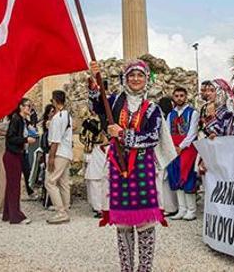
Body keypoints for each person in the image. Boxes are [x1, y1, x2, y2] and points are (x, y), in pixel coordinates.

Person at [89, 60, 165, 272]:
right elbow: (96, 105)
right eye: (131, 75)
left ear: (146, 79)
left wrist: (122, 134)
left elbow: (152, 137)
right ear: (125, 78)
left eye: (140, 76)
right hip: (117, 168)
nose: (135, 79)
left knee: (145, 222)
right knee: (123, 224)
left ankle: (145, 269)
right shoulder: (113, 101)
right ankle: (126, 268)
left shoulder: (152, 109)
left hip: (143, 168)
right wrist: (95, 82)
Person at [164, 87, 200, 221]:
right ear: (173, 97)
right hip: (173, 148)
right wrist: (172, 147)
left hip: (188, 148)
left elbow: (193, 133)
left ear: (186, 97)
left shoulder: (193, 113)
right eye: (177, 96)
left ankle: (191, 209)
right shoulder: (170, 115)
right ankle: (182, 208)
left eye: (181, 95)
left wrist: (181, 146)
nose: (179, 98)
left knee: (187, 175)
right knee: (176, 175)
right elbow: (167, 132)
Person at [2, 101, 33, 225]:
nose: (30, 108)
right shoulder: (16, 119)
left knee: (11, 185)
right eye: (28, 106)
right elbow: (10, 138)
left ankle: (8, 213)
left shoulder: (22, 120)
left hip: (16, 154)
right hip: (12, 155)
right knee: (15, 186)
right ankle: (16, 216)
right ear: (21, 107)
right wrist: (26, 139)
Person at [45, 90, 73, 224]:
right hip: (67, 152)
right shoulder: (67, 115)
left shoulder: (58, 118)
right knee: (63, 182)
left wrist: (51, 158)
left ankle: (60, 212)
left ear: (55, 101)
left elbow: (55, 141)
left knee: (50, 182)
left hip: (59, 153)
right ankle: (65, 207)